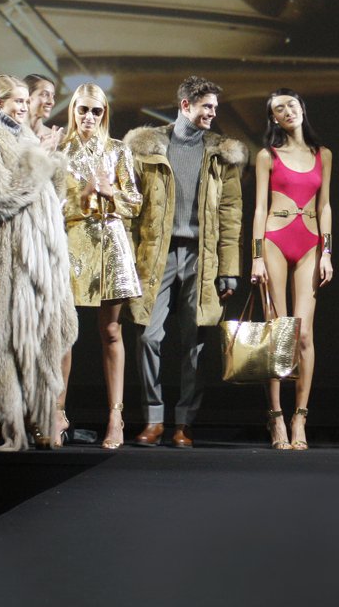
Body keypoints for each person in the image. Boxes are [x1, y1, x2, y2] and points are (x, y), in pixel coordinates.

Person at [0, 75, 77, 450]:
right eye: (17, 101)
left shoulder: (27, 139)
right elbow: (2, 194)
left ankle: (37, 416)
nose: (24, 107)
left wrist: (52, 159)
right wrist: (39, 160)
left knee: (36, 339)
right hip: (1, 257)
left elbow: (51, 196)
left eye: (26, 101)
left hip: (35, 257)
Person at [125, 77, 245, 448]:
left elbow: (230, 212)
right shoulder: (150, 147)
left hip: (201, 255)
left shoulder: (221, 152)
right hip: (156, 253)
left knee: (194, 341)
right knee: (148, 335)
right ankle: (154, 418)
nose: (212, 113)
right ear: (185, 105)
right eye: (206, 106)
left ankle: (184, 422)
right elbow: (133, 206)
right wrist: (127, 259)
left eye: (215, 107)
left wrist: (229, 269)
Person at [55, 84, 142, 449]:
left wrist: (111, 193)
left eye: (96, 111)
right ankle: (57, 412)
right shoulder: (60, 151)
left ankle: (115, 416)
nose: (89, 117)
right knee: (64, 333)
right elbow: (52, 205)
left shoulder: (118, 149)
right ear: (72, 111)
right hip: (73, 246)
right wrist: (83, 195)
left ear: (104, 113)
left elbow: (135, 202)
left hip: (110, 245)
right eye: (83, 109)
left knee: (111, 331)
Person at [250, 89, 332, 450]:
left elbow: (326, 206)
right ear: (273, 118)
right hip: (274, 239)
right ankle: (276, 417)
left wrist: (328, 252)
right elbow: (259, 208)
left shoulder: (322, 154)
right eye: (279, 108)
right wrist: (256, 256)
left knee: (304, 335)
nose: (287, 111)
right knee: (278, 332)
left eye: (292, 104)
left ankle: (300, 417)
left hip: (311, 240)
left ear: (302, 108)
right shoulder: (267, 156)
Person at [25, 73, 62, 152]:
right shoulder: (9, 134)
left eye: (53, 96)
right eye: (45, 95)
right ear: (27, 97)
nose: (51, 102)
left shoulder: (58, 140)